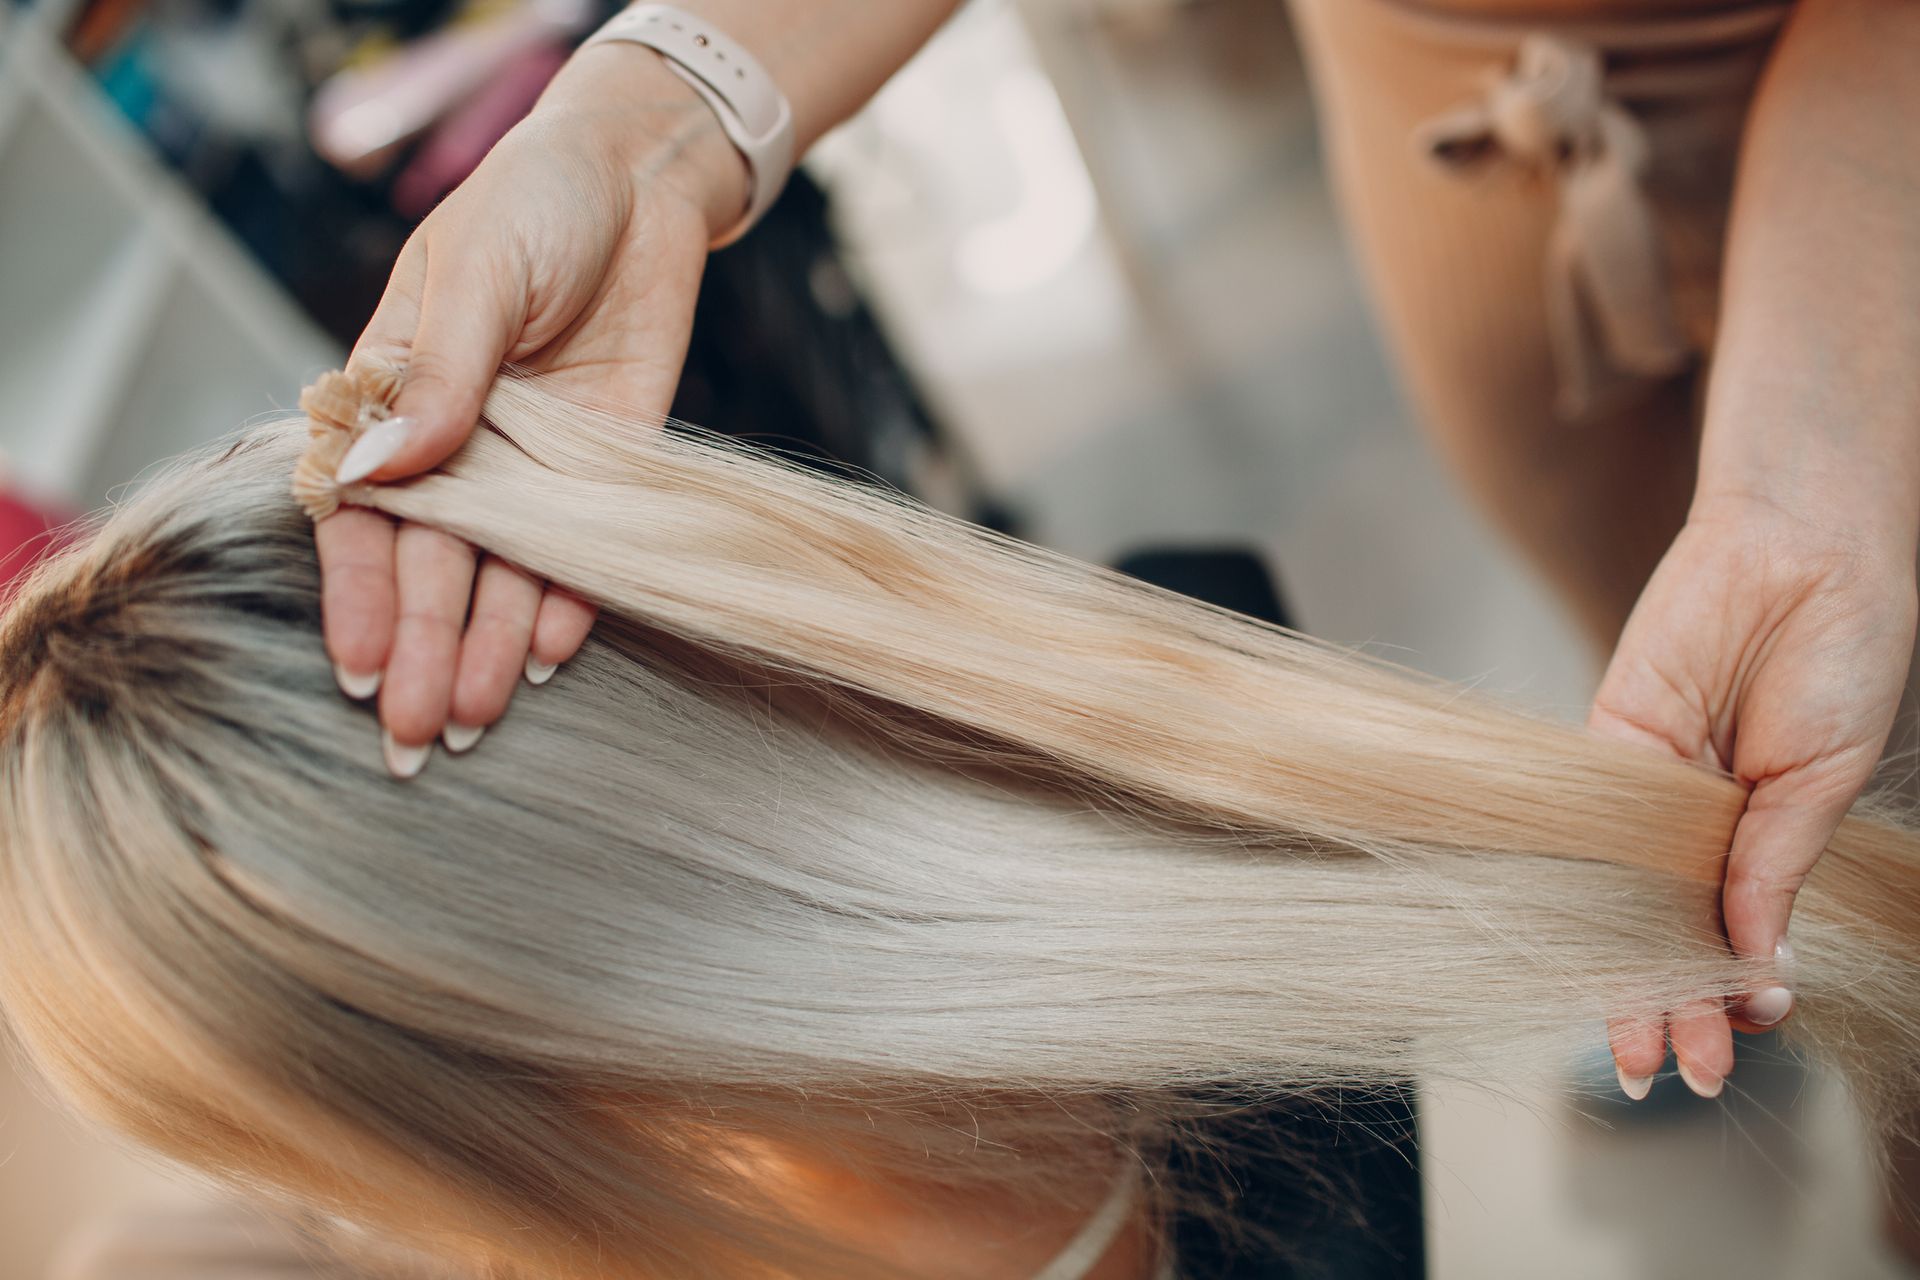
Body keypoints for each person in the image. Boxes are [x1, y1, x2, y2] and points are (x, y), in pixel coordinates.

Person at [317, 0, 1919, 1117]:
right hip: (1459, 145)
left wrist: (1811, 475)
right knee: (1677, 712)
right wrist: (645, 130)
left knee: (1854, 741)